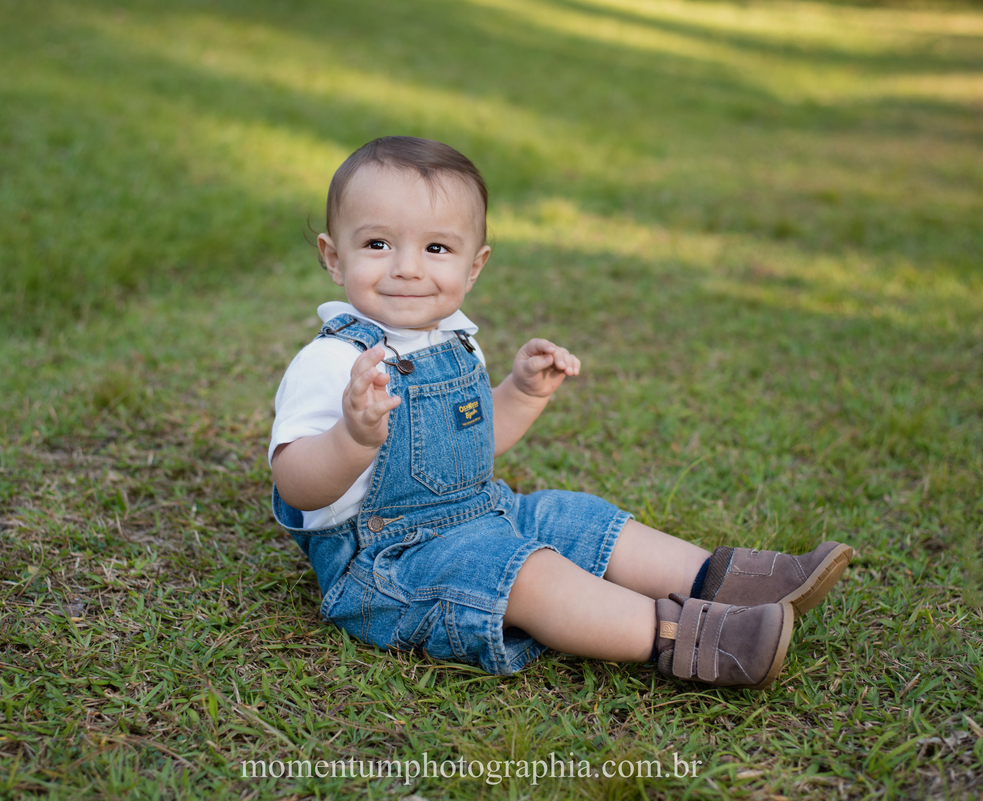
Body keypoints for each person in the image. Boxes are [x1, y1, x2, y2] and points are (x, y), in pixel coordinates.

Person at [270, 136, 853, 689]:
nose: (407, 267)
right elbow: (296, 485)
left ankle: (730, 582)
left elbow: (470, 448)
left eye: (437, 248)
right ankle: (697, 639)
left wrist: (523, 393)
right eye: (377, 244)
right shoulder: (331, 362)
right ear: (333, 256)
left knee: (579, 520)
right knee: (525, 572)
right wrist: (352, 436)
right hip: (389, 560)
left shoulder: (455, 342)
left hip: (481, 510)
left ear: (474, 266)